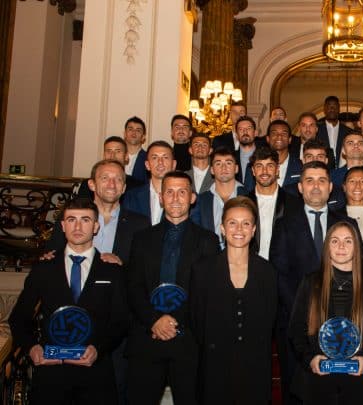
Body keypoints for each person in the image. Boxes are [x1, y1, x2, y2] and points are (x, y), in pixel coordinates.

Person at [9, 198, 129, 404]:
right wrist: (32, 348)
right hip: (51, 372)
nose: (78, 226)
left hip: (95, 373)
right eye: (71, 220)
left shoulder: (112, 270)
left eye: (85, 220)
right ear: (63, 226)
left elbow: (121, 321)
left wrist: (99, 349)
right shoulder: (44, 269)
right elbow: (19, 318)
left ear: (96, 226)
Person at [125, 171, 219, 405]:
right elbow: (133, 286)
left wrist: (173, 321)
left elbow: (207, 291)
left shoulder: (208, 240)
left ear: (192, 198)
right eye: (169, 192)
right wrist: (155, 320)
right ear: (160, 197)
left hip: (188, 341)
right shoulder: (141, 238)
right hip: (148, 338)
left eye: (182, 192)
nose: (176, 198)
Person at [270, 160, 358, 405]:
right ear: (300, 188)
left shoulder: (347, 224)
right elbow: (279, 275)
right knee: (297, 392)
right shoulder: (284, 225)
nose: (316, 186)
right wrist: (307, 311)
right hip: (299, 324)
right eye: (309, 180)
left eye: (321, 180)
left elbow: (358, 272)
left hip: (343, 325)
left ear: (331, 187)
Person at [289, 221, 363, 405]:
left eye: (348, 241)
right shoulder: (310, 283)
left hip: (359, 382)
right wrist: (309, 359)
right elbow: (295, 329)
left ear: (357, 247)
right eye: (334, 241)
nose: (341, 246)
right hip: (317, 382)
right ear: (327, 247)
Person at [191, 196, 277, 404]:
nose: (239, 229)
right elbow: (196, 319)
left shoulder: (267, 270)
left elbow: (270, 320)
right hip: (215, 366)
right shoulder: (203, 269)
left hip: (255, 366)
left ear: (254, 230)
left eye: (246, 223)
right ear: (222, 228)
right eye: (232, 223)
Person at [247, 146, 303, 260]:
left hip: (285, 271)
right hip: (252, 268)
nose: (264, 171)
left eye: (270, 166)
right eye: (259, 166)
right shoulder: (243, 203)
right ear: (253, 171)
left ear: (277, 170)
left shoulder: (295, 204)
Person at [191, 147, 248, 244]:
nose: (223, 167)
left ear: (236, 168)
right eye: (218, 163)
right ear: (212, 170)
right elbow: (196, 234)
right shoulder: (201, 200)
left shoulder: (248, 196)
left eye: (228, 163)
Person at [122, 140, 177, 225]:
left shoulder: (184, 197)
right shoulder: (131, 196)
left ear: (173, 164)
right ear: (147, 165)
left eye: (165, 157)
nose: (160, 162)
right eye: (155, 158)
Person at [317, 96, 352, 163]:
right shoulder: (317, 130)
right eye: (329, 106)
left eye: (335, 106)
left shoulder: (348, 131)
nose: (332, 108)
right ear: (324, 109)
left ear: (339, 109)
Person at [123, 116, 149, 184]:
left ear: (143, 137)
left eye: (138, 130)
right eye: (130, 129)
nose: (134, 133)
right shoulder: (115, 155)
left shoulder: (148, 159)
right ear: (125, 134)